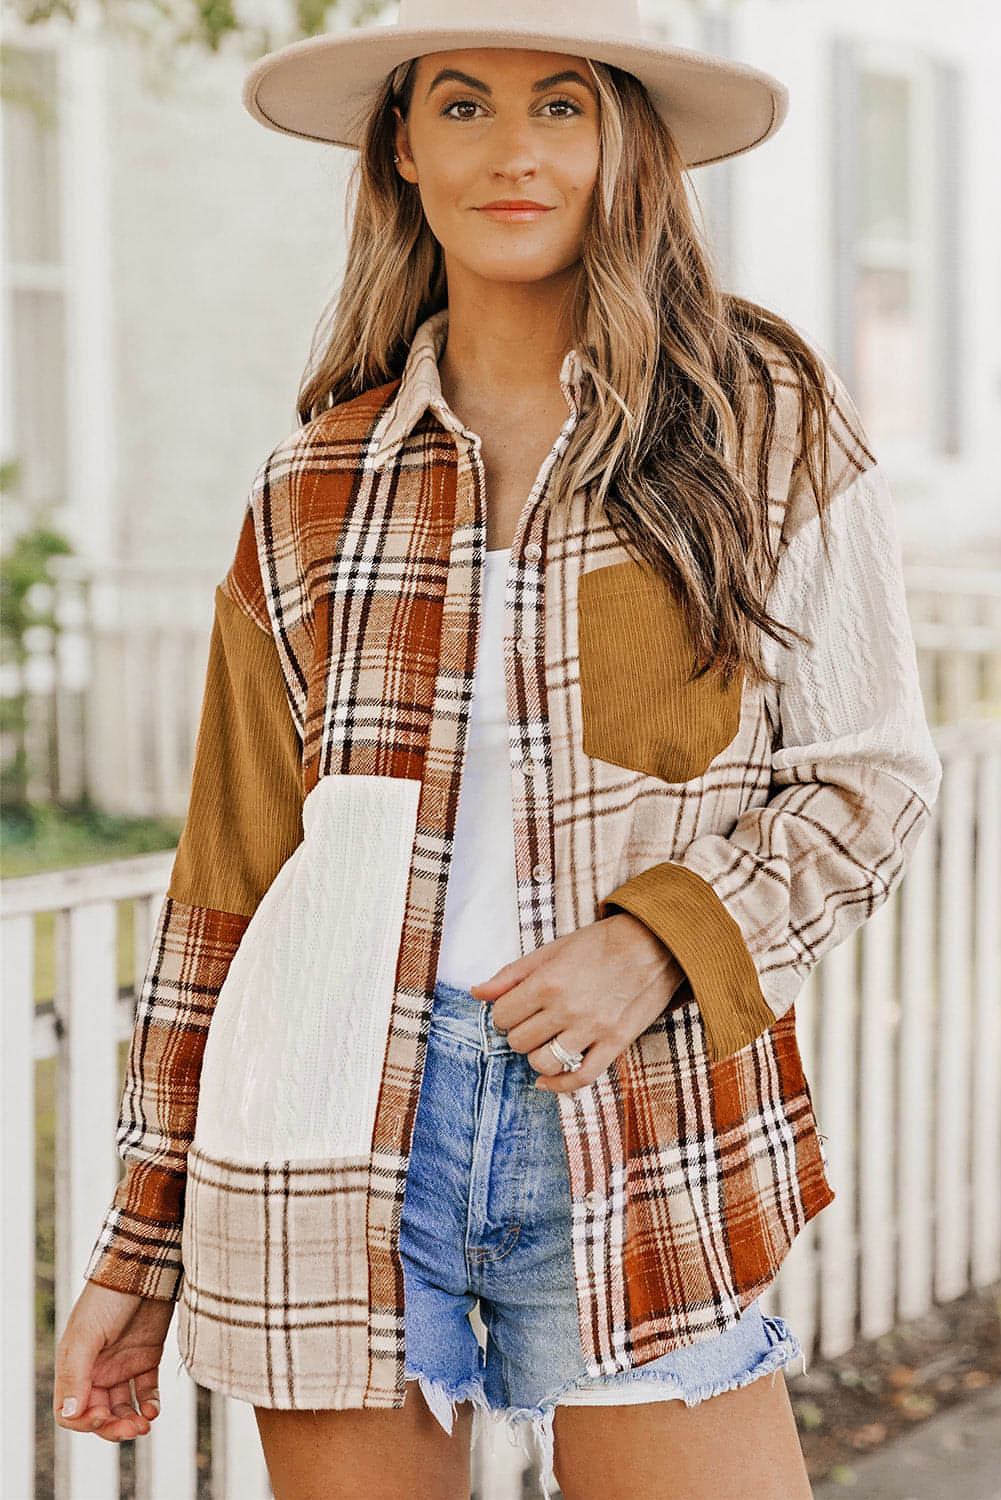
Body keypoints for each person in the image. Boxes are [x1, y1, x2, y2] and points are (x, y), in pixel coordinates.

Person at [53, 3, 943, 1497]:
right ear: (401, 148)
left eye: (562, 106)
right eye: (460, 107)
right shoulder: (315, 487)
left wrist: (657, 942)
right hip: (329, 1133)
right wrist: (138, 1245)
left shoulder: (758, 424)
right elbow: (228, 893)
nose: (512, 151)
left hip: (637, 1108)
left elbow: (869, 780)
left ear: (625, 144)